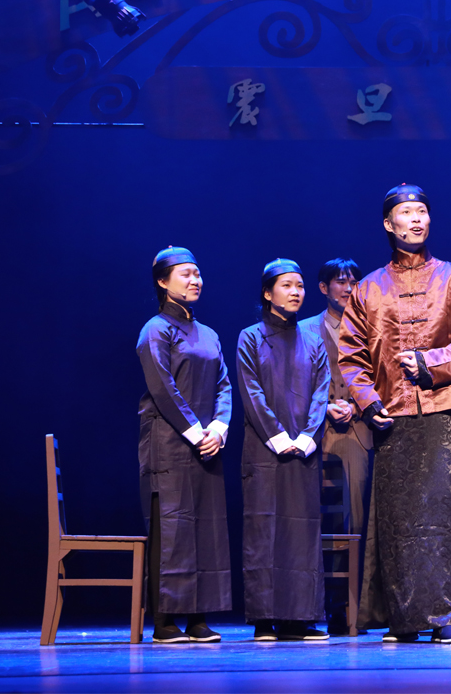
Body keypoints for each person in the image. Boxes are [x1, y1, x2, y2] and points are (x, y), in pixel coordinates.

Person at [338, 184, 451, 644]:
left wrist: (430, 362)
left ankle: (442, 617)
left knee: (439, 514)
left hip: (440, 408)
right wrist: (368, 401)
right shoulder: (368, 288)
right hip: (391, 413)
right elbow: (351, 355)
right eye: (407, 212)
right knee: (397, 520)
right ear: (389, 224)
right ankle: (403, 619)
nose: (417, 219)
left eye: (422, 210)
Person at [136, 246, 232, 643]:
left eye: (197, 274)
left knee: (205, 529)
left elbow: (224, 385)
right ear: (163, 281)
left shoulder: (208, 334)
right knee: (172, 528)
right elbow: (163, 387)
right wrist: (196, 431)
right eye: (186, 274)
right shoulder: (155, 329)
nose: (196, 280)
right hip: (170, 443)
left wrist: (219, 428)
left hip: (207, 444)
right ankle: (164, 621)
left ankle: (197, 618)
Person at [236, 258, 331, 642]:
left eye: (300, 286)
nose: (296, 292)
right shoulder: (250, 337)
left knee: (301, 532)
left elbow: (322, 391)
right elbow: (251, 392)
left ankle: (299, 618)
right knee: (264, 530)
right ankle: (264, 618)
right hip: (265, 450)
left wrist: (307, 437)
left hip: (304, 452)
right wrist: (278, 436)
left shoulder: (313, 339)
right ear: (267, 292)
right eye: (287, 285)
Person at [299, 259, 372, 635]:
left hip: (355, 432)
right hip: (314, 431)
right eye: (340, 282)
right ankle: (313, 604)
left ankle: (349, 606)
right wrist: (325, 407)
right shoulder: (304, 330)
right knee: (312, 519)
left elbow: (382, 375)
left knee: (353, 520)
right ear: (324, 287)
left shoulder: (369, 327)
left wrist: (358, 406)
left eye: (353, 282)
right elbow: (293, 380)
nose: (348, 288)